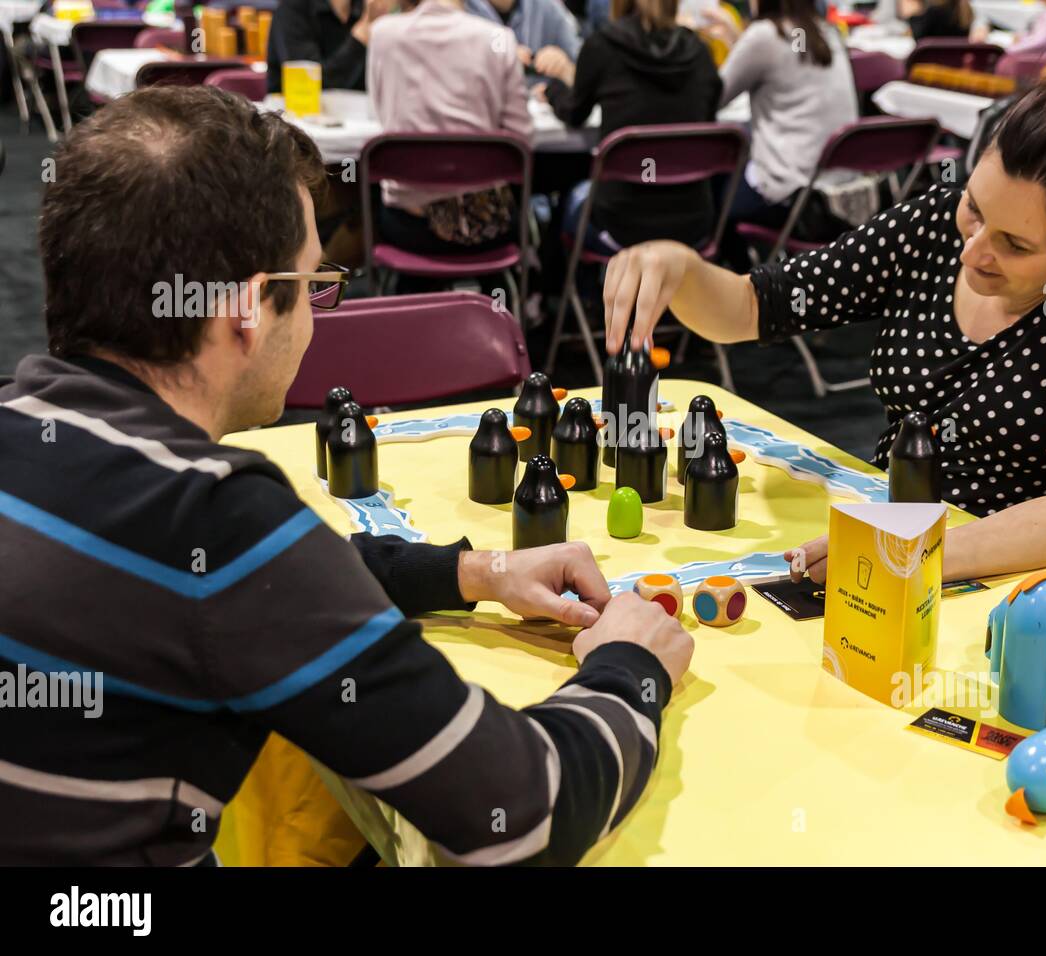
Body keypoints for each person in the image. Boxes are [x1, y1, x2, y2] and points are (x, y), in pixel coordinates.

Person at [0, 86, 693, 866]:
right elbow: (519, 814)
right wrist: (629, 666)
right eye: (312, 286)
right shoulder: (210, 516)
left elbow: (257, 582)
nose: (316, 317)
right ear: (250, 310)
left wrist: (474, 571)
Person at [599, 8, 1046, 589]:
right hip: (897, 552)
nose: (975, 249)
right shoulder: (934, 223)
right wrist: (680, 268)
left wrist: (912, 551)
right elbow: (753, 307)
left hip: (1039, 597)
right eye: (974, 210)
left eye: (1014, 244)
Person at [544, 0, 722, 253]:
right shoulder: (701, 53)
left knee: (566, 195)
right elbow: (707, 119)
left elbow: (574, 113)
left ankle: (577, 289)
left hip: (621, 224)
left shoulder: (602, 46)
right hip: (693, 224)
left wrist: (554, 90)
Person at [367, 0, 532, 258]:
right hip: (485, 225)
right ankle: (510, 291)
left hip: (408, 224)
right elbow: (521, 141)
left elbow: (381, 114)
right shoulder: (498, 39)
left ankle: (406, 293)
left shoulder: (382, 35)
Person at [716, 0, 858, 231]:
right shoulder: (828, 31)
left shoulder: (765, 35)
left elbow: (712, 97)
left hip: (793, 197)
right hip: (839, 190)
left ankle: (738, 265)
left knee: (714, 188)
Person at [266, 0, 393, 94]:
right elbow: (313, 84)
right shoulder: (293, 9)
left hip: (359, 119)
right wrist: (359, 38)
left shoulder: (367, 9)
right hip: (295, 122)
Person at [466, 0, 583, 81]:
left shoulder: (547, 8)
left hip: (541, 110)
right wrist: (499, 59)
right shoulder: (462, 11)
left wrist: (564, 67)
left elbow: (583, 73)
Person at [898, 0, 972, 39]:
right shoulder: (965, 12)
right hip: (956, 65)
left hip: (931, 66)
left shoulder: (934, 12)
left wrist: (912, 16)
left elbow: (918, 37)